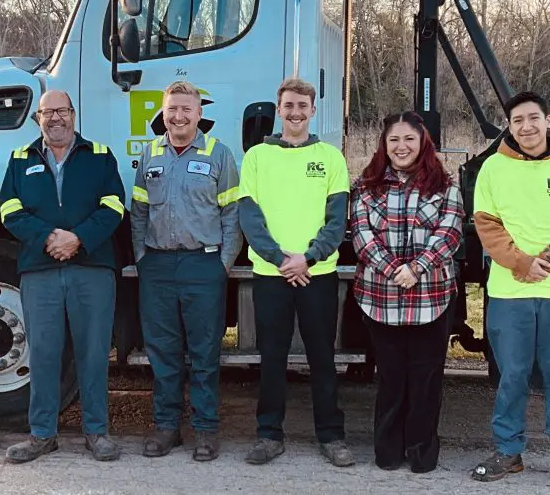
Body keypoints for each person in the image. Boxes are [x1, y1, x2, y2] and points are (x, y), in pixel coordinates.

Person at [471, 91, 550, 492]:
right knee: (512, 376)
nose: (525, 127)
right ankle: (508, 451)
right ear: (509, 127)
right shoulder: (493, 168)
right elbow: (487, 225)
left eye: (532, 118)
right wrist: (522, 263)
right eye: (516, 121)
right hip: (510, 294)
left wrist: (548, 262)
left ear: (548, 120)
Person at [0, 90, 126, 463]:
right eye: (47, 112)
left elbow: (114, 204)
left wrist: (79, 239)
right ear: (37, 119)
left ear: (73, 115)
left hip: (92, 267)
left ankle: (96, 432)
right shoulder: (20, 159)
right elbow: (9, 209)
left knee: (93, 353)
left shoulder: (99, 156)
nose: (55, 118)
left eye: (61, 111)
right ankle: (42, 435)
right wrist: (48, 238)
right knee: (43, 354)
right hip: (40, 269)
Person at [238, 77, 354, 468]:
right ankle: (269, 435)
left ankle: (331, 436)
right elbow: (250, 217)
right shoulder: (256, 157)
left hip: (317, 273)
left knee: (323, 357)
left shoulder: (331, 157)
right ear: (279, 109)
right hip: (271, 275)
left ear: (313, 111)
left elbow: (337, 220)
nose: (295, 113)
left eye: (302, 106)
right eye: (288, 105)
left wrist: (308, 258)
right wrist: (279, 259)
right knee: (271, 356)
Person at [131, 81, 242, 462]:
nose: (178, 116)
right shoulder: (150, 155)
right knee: (163, 351)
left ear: (198, 113)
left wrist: (223, 263)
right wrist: (143, 258)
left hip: (203, 264)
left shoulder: (219, 154)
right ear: (162, 113)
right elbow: (139, 212)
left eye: (186, 109)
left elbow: (231, 213)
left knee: (204, 351)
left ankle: (206, 430)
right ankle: (166, 428)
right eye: (172, 109)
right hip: (158, 266)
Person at [351, 111, 464, 473]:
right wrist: (392, 270)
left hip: (432, 297)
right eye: (394, 140)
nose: (401, 147)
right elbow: (361, 235)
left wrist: (416, 268)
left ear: (422, 143)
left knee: (426, 379)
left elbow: (449, 234)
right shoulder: (367, 186)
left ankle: (421, 452)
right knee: (391, 378)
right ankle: (387, 450)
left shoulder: (445, 186)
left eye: (409, 139)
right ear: (384, 145)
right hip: (379, 299)